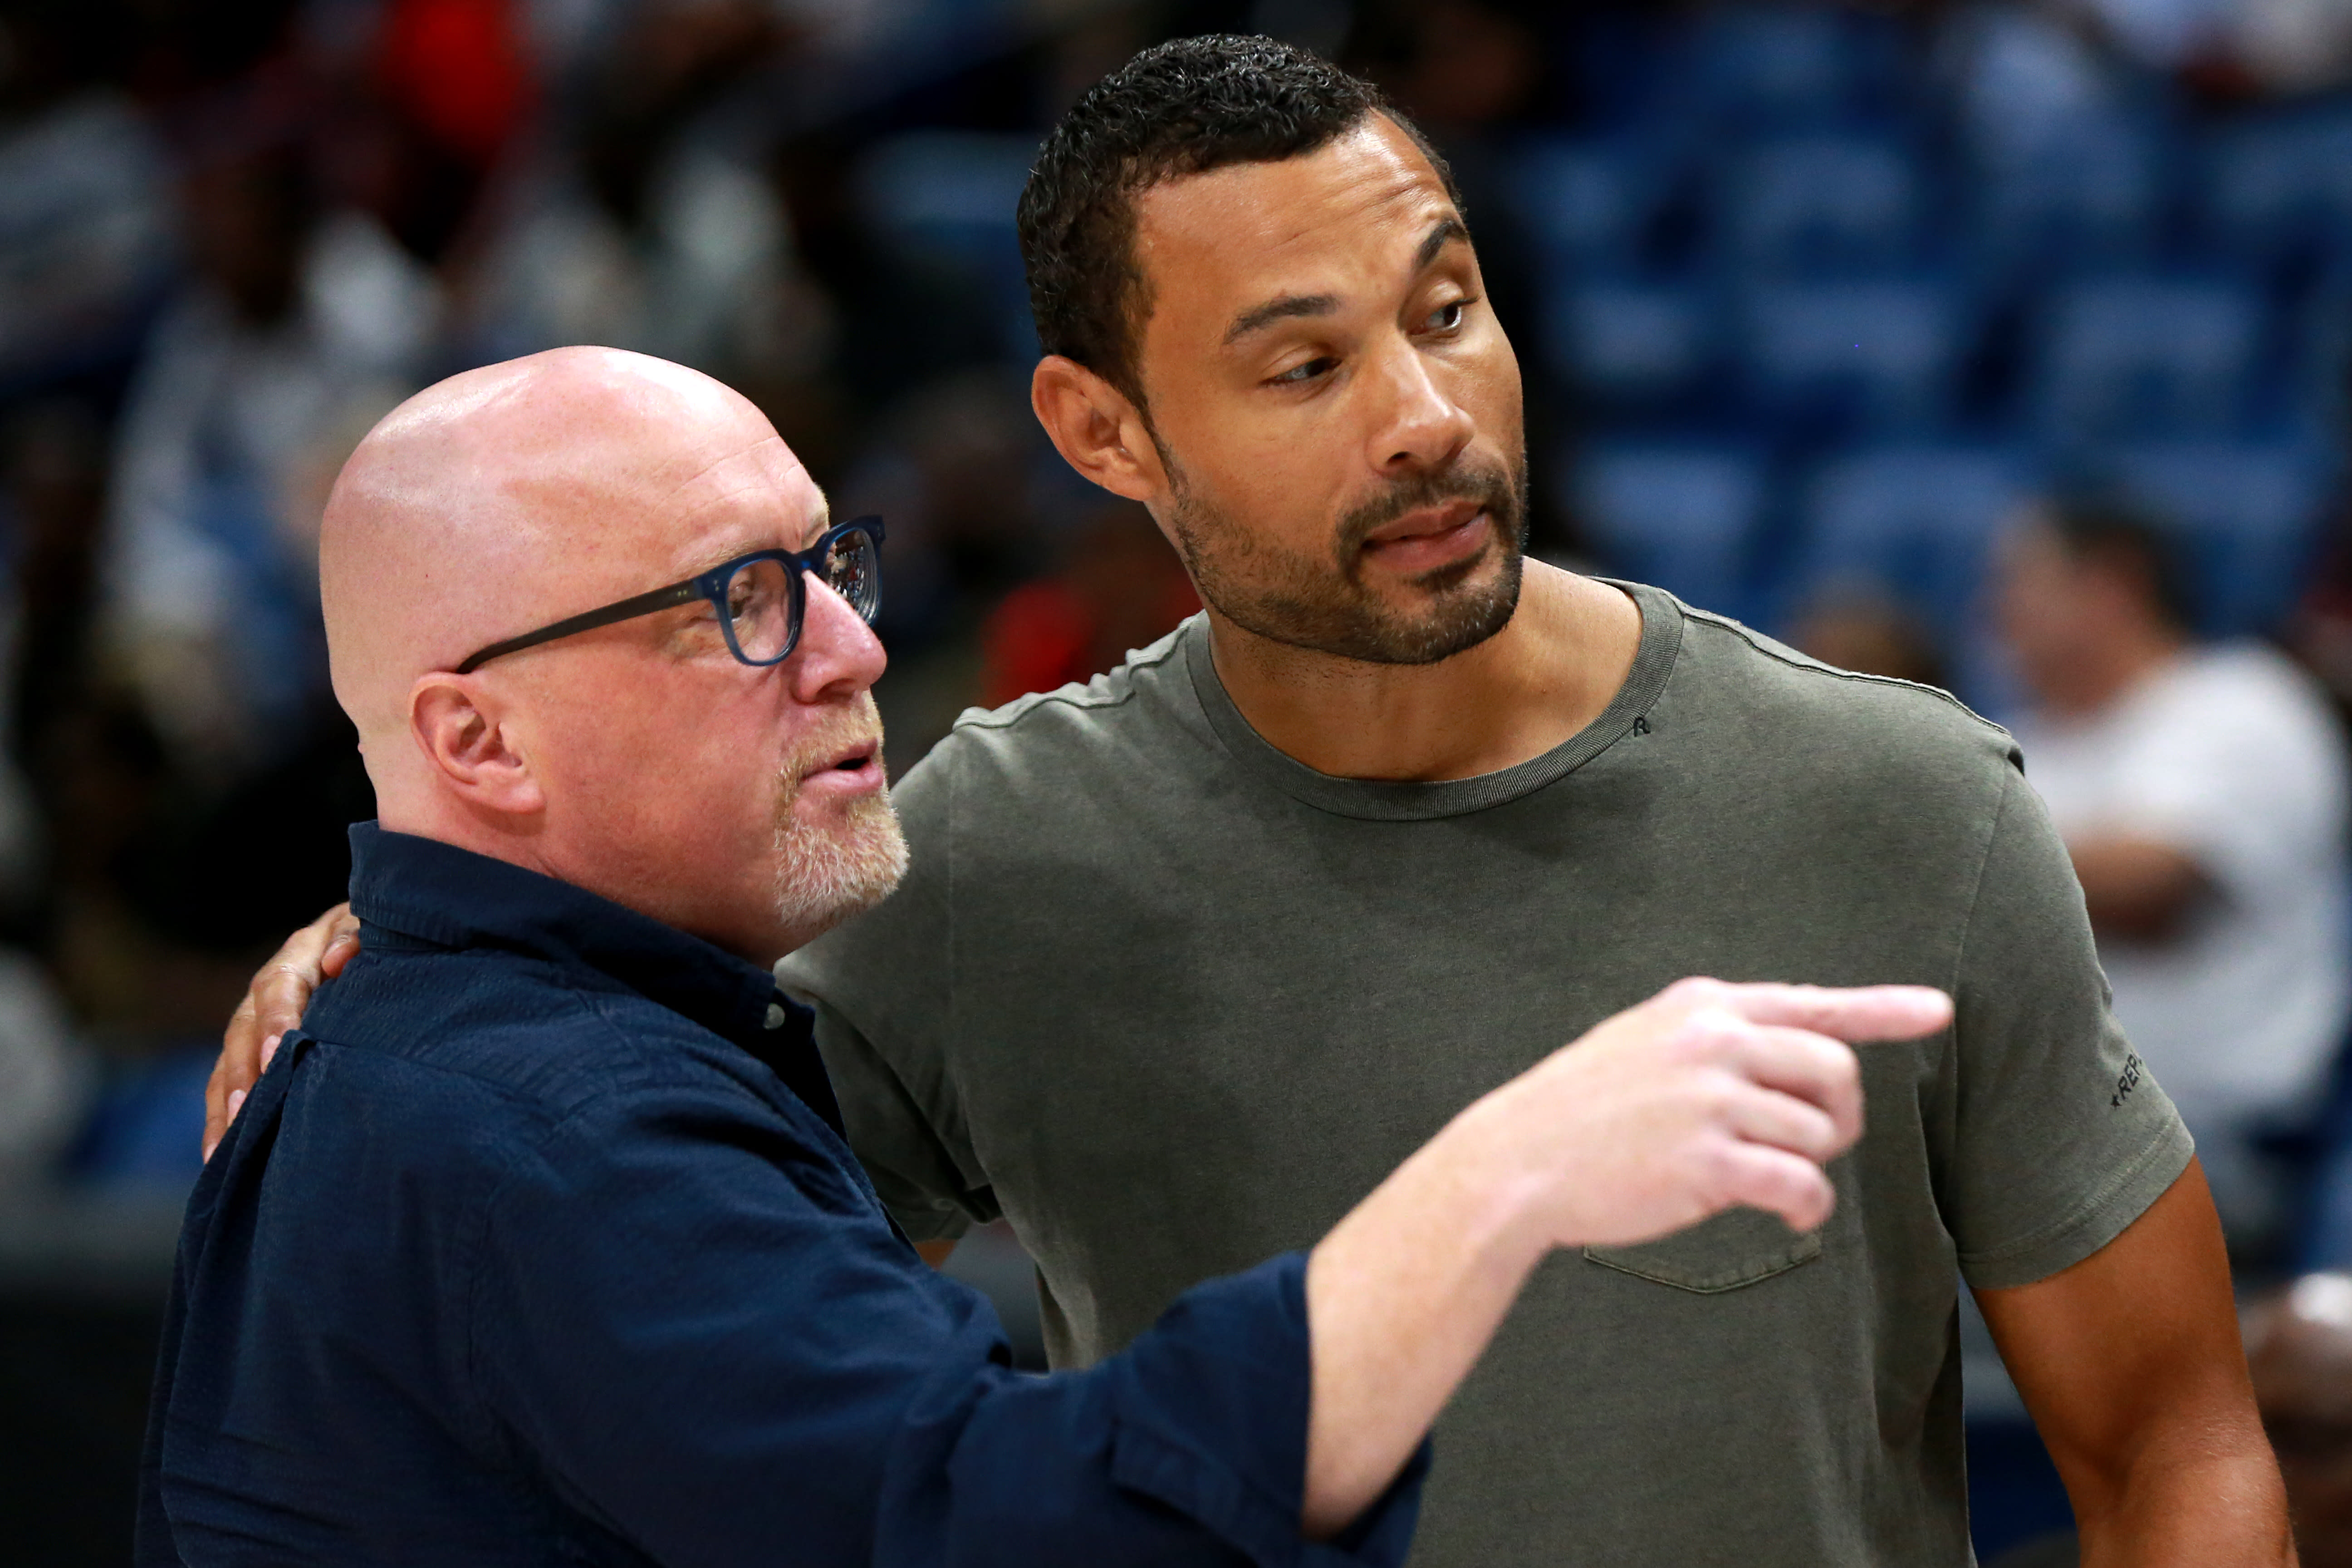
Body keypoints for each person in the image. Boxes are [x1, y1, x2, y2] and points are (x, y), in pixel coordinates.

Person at [213, 38, 2291, 1565]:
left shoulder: (1895, 803)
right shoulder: (971, 860)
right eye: (1302, 366)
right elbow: (704, 1284)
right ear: (1099, 430)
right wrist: (394, 938)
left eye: (1447, 310)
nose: (1422, 417)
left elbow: (2171, 1439)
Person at [144, 345, 1951, 1566]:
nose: (852, 644)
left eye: (827, 565)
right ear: (480, 745)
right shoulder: (553, 1127)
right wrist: (1510, 1173)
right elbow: (1014, 1527)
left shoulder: (444, 1041)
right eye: (738, 604)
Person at [1996, 496, 2352, 1246]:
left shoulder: (2239, 700)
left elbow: (2151, 887)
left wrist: (1941, 850)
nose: (1995, 614)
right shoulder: (2029, 739)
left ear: (2112, 584)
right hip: (2056, 1138)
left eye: (2019, 584)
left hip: (2211, 1147)